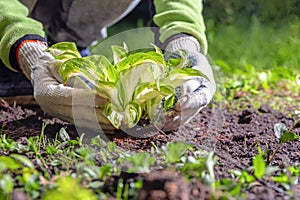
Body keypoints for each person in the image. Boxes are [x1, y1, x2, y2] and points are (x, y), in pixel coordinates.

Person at [0, 0, 216, 132]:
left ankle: (71, 46)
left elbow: (178, 4)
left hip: (75, 40)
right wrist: (29, 52)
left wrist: (186, 47)